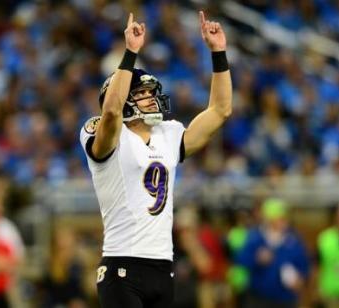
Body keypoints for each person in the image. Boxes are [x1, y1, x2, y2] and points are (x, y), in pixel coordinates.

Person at [79, 10, 232, 308]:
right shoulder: (105, 132)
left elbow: (220, 111)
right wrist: (130, 53)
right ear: (123, 98)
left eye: (152, 92)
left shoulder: (169, 133)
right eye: (143, 93)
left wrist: (218, 53)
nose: (152, 98)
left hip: (163, 265)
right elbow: (111, 112)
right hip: (122, 265)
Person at [237, 198, 310, 308]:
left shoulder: (294, 238)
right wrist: (257, 259)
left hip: (286, 298)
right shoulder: (255, 237)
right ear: (269, 219)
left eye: (285, 217)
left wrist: (300, 279)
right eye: (279, 218)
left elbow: (304, 264)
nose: (284, 221)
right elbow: (241, 260)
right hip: (258, 297)